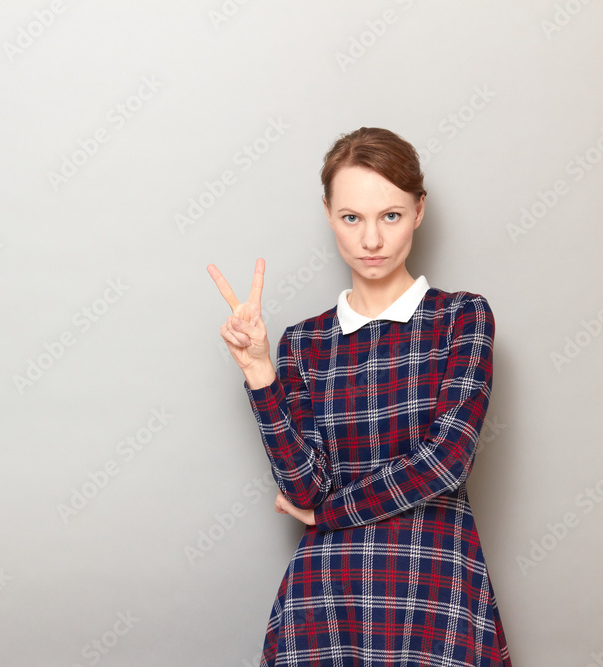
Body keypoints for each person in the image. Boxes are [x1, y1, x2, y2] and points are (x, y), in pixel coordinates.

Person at [206, 127, 512, 666]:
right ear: (328, 214)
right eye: (352, 218)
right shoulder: (303, 343)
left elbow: (446, 464)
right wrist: (259, 372)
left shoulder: (462, 317)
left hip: (434, 585)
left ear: (419, 211)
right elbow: (304, 486)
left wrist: (326, 515)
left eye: (390, 215)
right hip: (327, 594)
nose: (371, 240)